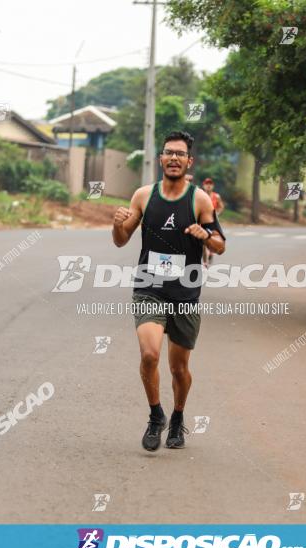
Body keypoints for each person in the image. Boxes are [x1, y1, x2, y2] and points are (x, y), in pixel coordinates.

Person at [112, 131, 227, 451]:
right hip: (149, 288)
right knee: (149, 355)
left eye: (180, 154)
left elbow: (221, 245)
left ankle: (177, 416)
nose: (174, 158)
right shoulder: (143, 196)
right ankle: (155, 415)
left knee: (179, 368)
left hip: (186, 294)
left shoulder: (199, 200)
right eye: (168, 153)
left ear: (189, 161)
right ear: (160, 159)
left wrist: (204, 234)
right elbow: (121, 239)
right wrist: (116, 222)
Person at [201, 178, 224, 266]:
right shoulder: (200, 195)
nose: (208, 185)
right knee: (203, 242)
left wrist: (217, 213)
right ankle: (205, 262)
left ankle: (211, 253)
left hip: (212, 222)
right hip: (202, 221)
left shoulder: (216, 196)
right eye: (207, 184)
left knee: (211, 240)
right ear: (203, 186)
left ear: (213, 186)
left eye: (210, 184)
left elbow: (221, 206)